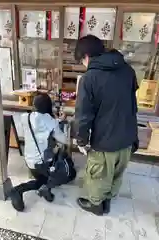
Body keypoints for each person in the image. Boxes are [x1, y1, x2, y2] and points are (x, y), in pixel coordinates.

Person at [74, 35, 138, 216]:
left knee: (98, 175)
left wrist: (81, 140)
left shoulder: (90, 78)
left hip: (105, 140)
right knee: (116, 173)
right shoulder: (128, 70)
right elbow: (132, 104)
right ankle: (107, 200)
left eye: (82, 60)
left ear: (86, 56)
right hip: (126, 137)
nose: (83, 64)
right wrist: (134, 136)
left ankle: (96, 205)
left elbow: (84, 115)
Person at [10, 93, 76, 211]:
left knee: (42, 180)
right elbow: (64, 140)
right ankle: (45, 187)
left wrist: (55, 121)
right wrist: (62, 123)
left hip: (29, 161)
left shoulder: (25, 117)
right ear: (48, 106)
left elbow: (40, 127)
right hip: (42, 163)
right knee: (69, 171)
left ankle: (21, 190)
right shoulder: (48, 120)